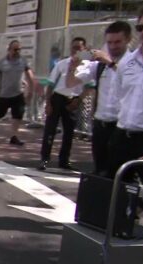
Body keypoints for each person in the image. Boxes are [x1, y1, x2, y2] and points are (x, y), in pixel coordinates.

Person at [67, 21, 133, 177]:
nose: (113, 46)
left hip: (121, 127)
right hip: (101, 125)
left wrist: (110, 63)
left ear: (128, 40)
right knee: (99, 171)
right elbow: (71, 83)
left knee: (119, 173)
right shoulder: (100, 65)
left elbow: (131, 83)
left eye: (118, 42)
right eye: (109, 42)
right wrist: (72, 67)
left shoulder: (133, 62)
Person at [108, 3, 143, 182]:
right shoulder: (127, 62)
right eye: (140, 27)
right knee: (115, 191)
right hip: (122, 135)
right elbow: (118, 96)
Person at [38, 37, 91, 171]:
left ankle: (64, 160)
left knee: (69, 132)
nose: (76, 50)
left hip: (73, 100)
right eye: (74, 47)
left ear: (84, 49)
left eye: (79, 48)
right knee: (50, 129)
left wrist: (78, 101)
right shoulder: (62, 64)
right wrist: (48, 103)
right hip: (58, 98)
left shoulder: (88, 66)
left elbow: (89, 87)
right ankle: (44, 158)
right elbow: (50, 84)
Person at [0, 40, 35, 146]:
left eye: (19, 49)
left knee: (17, 116)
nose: (17, 51)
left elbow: (30, 76)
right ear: (9, 50)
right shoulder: (2, 62)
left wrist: (30, 91)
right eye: (15, 49)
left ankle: (13, 136)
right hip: (4, 94)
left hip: (18, 94)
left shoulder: (23, 61)